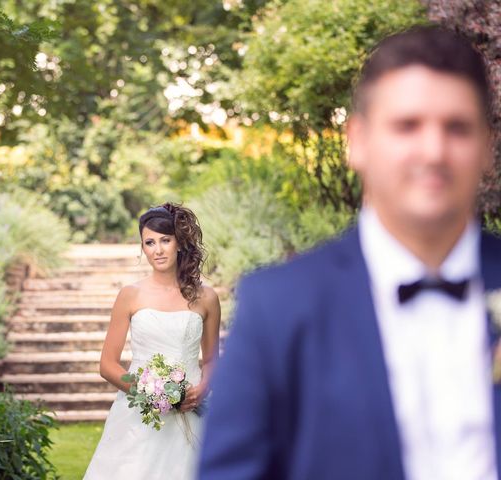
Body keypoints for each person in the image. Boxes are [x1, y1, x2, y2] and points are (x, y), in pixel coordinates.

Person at [198, 25, 501, 480]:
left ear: (487, 148)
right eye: (407, 126)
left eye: (457, 128)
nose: (434, 150)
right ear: (357, 141)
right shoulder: (277, 307)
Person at [83, 202, 221, 479]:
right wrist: (149, 394)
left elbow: (211, 359)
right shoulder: (130, 295)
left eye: (165, 240)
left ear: (179, 243)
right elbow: (107, 365)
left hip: (192, 410)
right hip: (138, 414)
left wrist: (203, 388)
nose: (157, 250)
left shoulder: (207, 298)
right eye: (149, 242)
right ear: (143, 248)